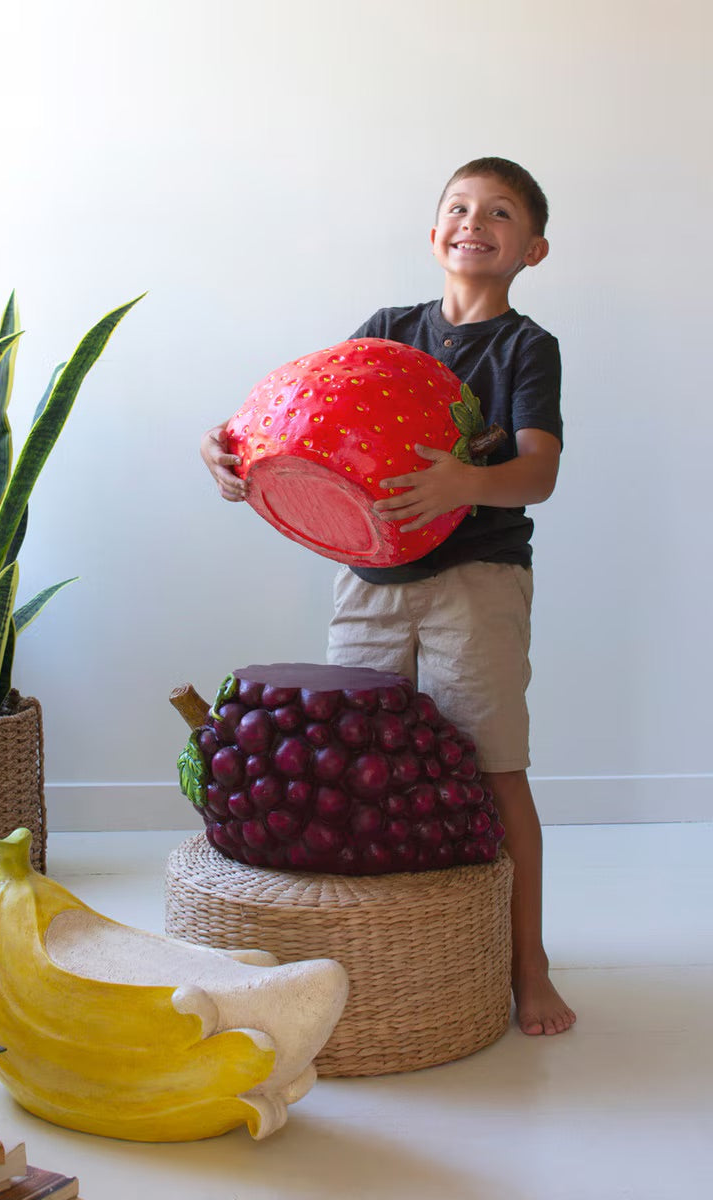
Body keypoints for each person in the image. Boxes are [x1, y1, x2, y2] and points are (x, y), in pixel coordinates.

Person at [201, 157, 576, 1036]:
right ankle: (375, 949)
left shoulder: (528, 346)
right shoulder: (389, 327)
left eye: (500, 212)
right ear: (434, 231)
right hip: (369, 580)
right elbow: (308, 420)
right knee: (358, 765)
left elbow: (540, 471)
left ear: (534, 248)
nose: (472, 221)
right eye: (457, 207)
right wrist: (229, 453)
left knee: (493, 769)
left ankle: (529, 964)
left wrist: (461, 484)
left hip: (478, 583)